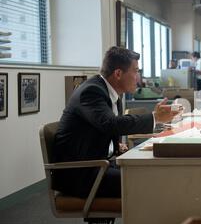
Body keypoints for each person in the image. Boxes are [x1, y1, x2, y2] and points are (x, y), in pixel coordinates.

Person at [53, 47, 180, 198]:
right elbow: (111, 124)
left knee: (152, 171)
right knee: (150, 180)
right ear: (118, 73)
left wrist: (114, 145)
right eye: (136, 71)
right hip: (81, 174)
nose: (138, 77)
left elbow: (103, 128)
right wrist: (155, 117)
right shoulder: (91, 91)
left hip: (99, 165)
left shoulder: (111, 94)